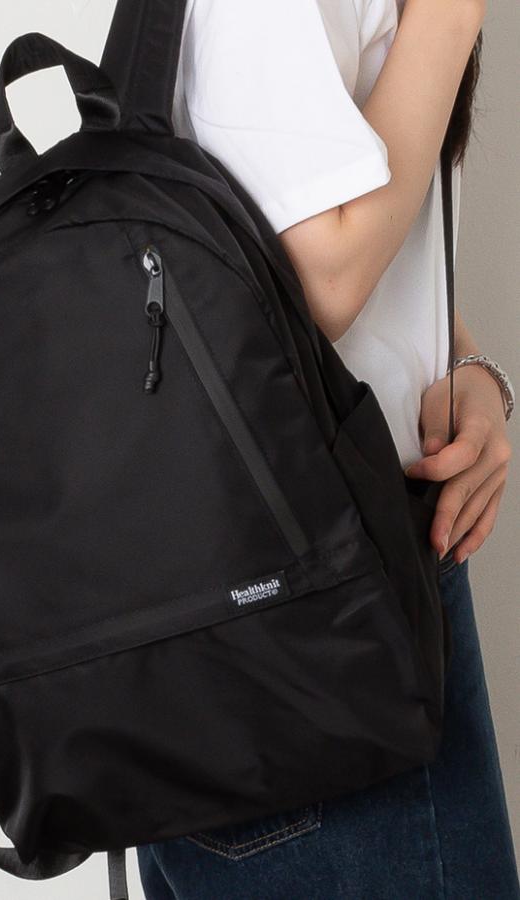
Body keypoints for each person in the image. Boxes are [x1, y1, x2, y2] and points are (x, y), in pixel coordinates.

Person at [136, 0, 520, 896]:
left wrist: (459, 359)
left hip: (294, 579)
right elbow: (321, 279)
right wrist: (451, 18)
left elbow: (271, 229)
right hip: (317, 602)